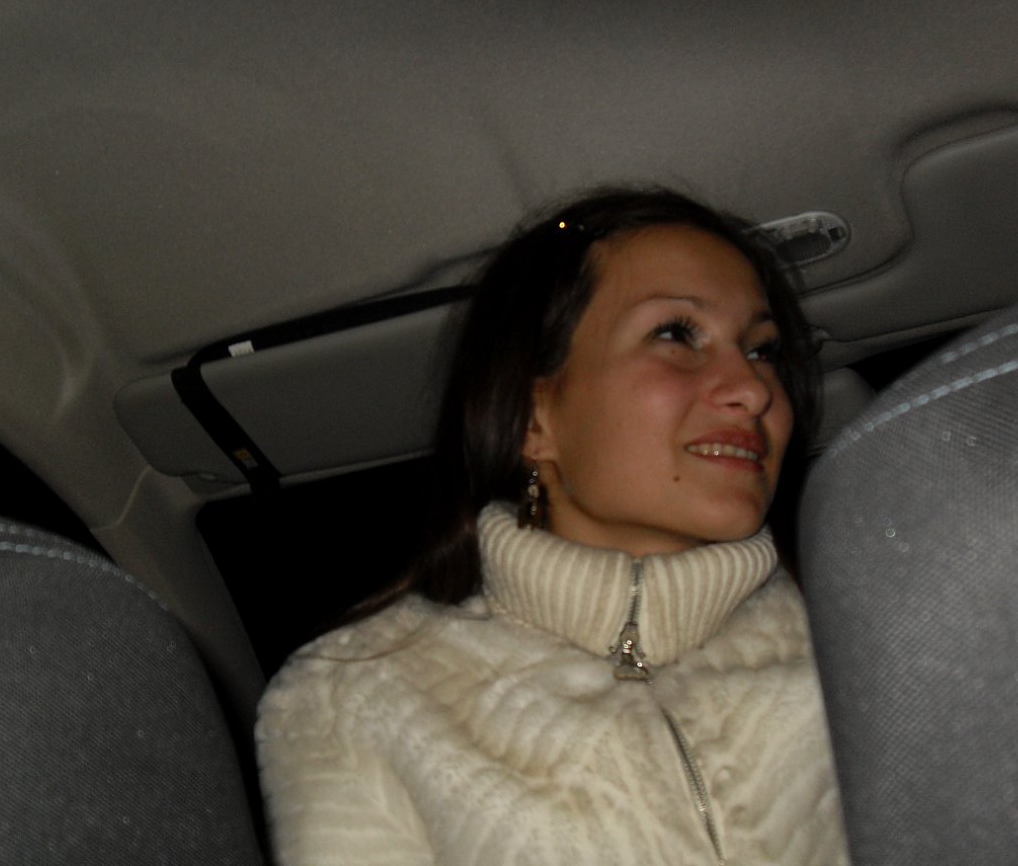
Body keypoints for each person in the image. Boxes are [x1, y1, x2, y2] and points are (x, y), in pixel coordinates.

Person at [256, 186, 849, 865]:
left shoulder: (867, 636)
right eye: (676, 334)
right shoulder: (352, 697)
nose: (752, 387)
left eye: (763, 349)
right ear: (533, 419)